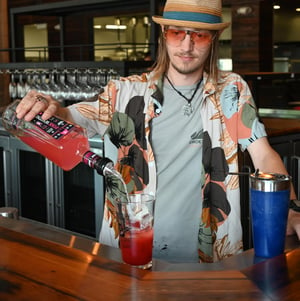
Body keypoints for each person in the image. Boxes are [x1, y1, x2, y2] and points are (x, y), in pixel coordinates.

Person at [15, 0, 300, 263]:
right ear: (164, 34)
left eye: (199, 35)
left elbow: (263, 155)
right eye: (178, 33)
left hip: (210, 259)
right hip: (130, 255)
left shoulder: (231, 91)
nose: (187, 46)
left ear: (213, 40)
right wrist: (52, 107)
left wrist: (293, 209)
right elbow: (71, 116)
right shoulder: (124, 92)